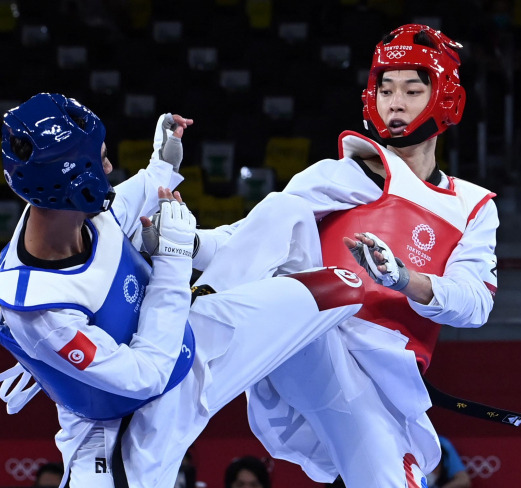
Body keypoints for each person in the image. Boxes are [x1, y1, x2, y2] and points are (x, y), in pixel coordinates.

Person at [0, 93, 365, 488]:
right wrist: (172, 259)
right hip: (127, 434)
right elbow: (148, 375)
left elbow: (125, 204)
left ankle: (307, 441)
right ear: (76, 181)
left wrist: (162, 163)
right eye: (101, 159)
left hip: (188, 336)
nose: (110, 166)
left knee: (340, 286)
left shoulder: (72, 211)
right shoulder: (40, 311)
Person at [191, 24, 498, 487]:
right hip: (311, 334)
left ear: (447, 99)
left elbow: (475, 304)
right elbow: (248, 238)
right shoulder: (340, 175)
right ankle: (194, 334)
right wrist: (181, 242)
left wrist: (405, 279)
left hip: (381, 378)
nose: (395, 102)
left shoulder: (472, 206)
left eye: (412, 90)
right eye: (385, 89)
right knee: (285, 209)